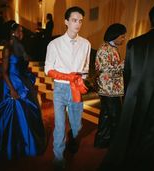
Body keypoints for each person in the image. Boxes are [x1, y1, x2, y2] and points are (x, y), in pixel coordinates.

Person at [98, 2, 154, 171]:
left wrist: (128, 94)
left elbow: (127, 73)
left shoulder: (133, 43)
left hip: (134, 95)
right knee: (152, 137)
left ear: (150, 20)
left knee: (131, 132)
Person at [0, 23, 46, 160]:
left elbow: (24, 63)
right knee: (10, 113)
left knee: (26, 112)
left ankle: (23, 143)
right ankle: (7, 144)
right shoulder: (7, 48)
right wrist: (12, 90)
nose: (22, 34)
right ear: (13, 33)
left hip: (21, 82)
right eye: (20, 31)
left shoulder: (20, 47)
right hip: (10, 84)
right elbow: (4, 72)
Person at [44, 6, 91, 169]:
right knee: (59, 126)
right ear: (66, 22)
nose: (77, 24)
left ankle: (72, 140)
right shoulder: (54, 44)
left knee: (77, 127)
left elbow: (85, 67)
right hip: (60, 88)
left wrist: (81, 79)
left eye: (80, 21)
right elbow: (48, 69)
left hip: (76, 88)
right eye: (74, 20)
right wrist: (67, 76)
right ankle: (58, 160)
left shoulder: (86, 44)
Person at [94, 23, 127, 148]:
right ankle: (114, 144)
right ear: (115, 35)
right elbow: (105, 69)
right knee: (115, 117)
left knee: (106, 116)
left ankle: (102, 141)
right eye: (122, 36)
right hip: (108, 89)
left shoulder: (112, 48)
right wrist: (124, 64)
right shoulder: (104, 49)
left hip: (111, 88)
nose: (123, 39)